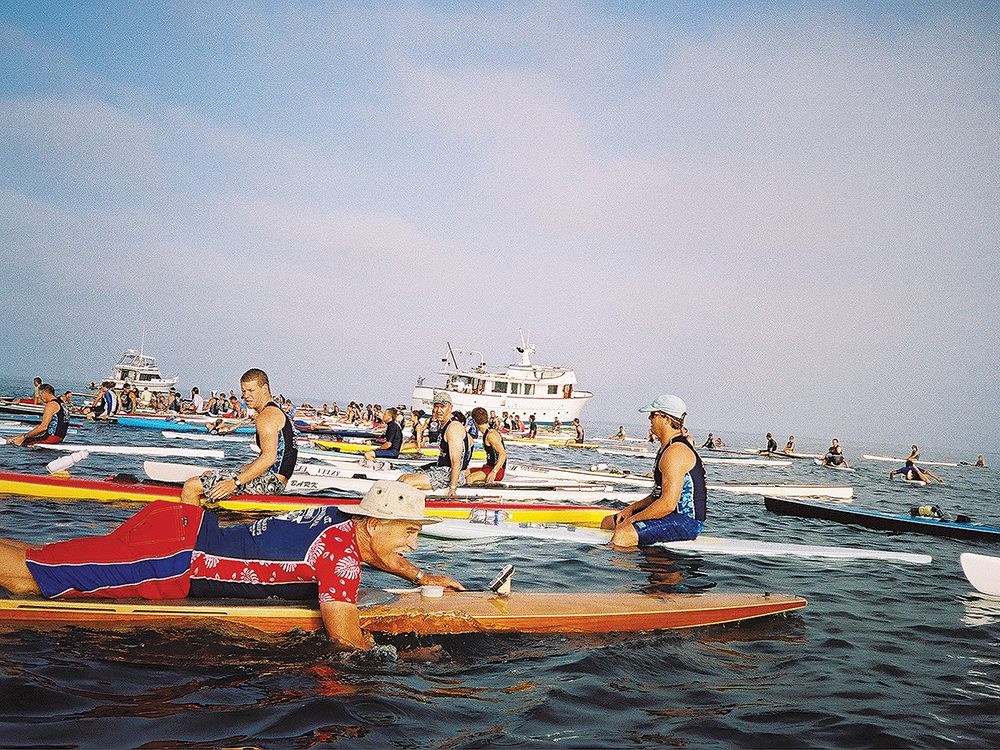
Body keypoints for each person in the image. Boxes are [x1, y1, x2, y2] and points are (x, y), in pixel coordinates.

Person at [0, 481, 464, 650]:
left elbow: (371, 552)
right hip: (177, 558)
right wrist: (406, 655)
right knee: (30, 580)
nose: (413, 539)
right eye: (408, 529)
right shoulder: (340, 556)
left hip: (183, 526)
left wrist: (422, 577)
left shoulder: (341, 518)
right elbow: (344, 639)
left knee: (50, 555)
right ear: (376, 523)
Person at [600, 394, 706, 547]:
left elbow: (668, 504)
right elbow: (658, 495)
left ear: (667, 419)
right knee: (609, 522)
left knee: (624, 533)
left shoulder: (675, 452)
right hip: (669, 514)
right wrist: (630, 510)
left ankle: (623, 566)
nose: (649, 418)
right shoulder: (666, 447)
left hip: (686, 523)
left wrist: (632, 521)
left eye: (653, 415)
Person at [181, 369, 298, 503]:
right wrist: (235, 471)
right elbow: (268, 458)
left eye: (251, 390)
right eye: (243, 391)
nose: (246, 396)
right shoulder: (276, 411)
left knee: (191, 486)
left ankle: (195, 523)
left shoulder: (266, 416)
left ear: (265, 388)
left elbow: (269, 458)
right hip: (275, 481)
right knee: (207, 475)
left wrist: (234, 482)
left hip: (269, 482)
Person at [399, 391, 471, 496]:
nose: (439, 410)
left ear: (450, 408)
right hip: (440, 470)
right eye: (436, 407)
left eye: (442, 407)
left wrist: (452, 488)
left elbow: (456, 461)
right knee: (404, 477)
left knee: (407, 482)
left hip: (449, 474)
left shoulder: (453, 427)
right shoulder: (444, 424)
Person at [466, 407, 507, 484]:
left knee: (470, 478)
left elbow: (503, 454)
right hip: (488, 467)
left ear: (474, 422)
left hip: (497, 471)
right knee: (464, 473)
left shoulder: (491, 435)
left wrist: (494, 472)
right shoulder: (486, 433)